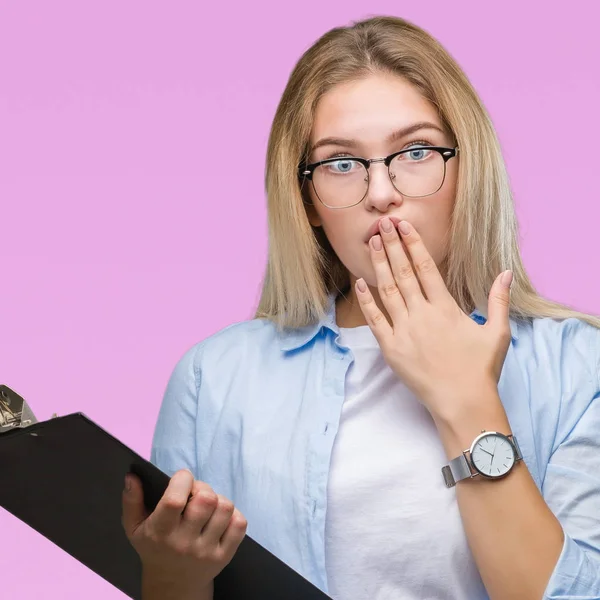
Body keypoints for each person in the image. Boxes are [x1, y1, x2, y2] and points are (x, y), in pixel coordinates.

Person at [121, 15, 600, 600]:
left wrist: (466, 402)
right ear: (310, 200)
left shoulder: (579, 366)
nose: (380, 193)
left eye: (416, 151)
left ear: (466, 168)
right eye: (341, 163)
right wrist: (172, 578)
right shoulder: (213, 378)